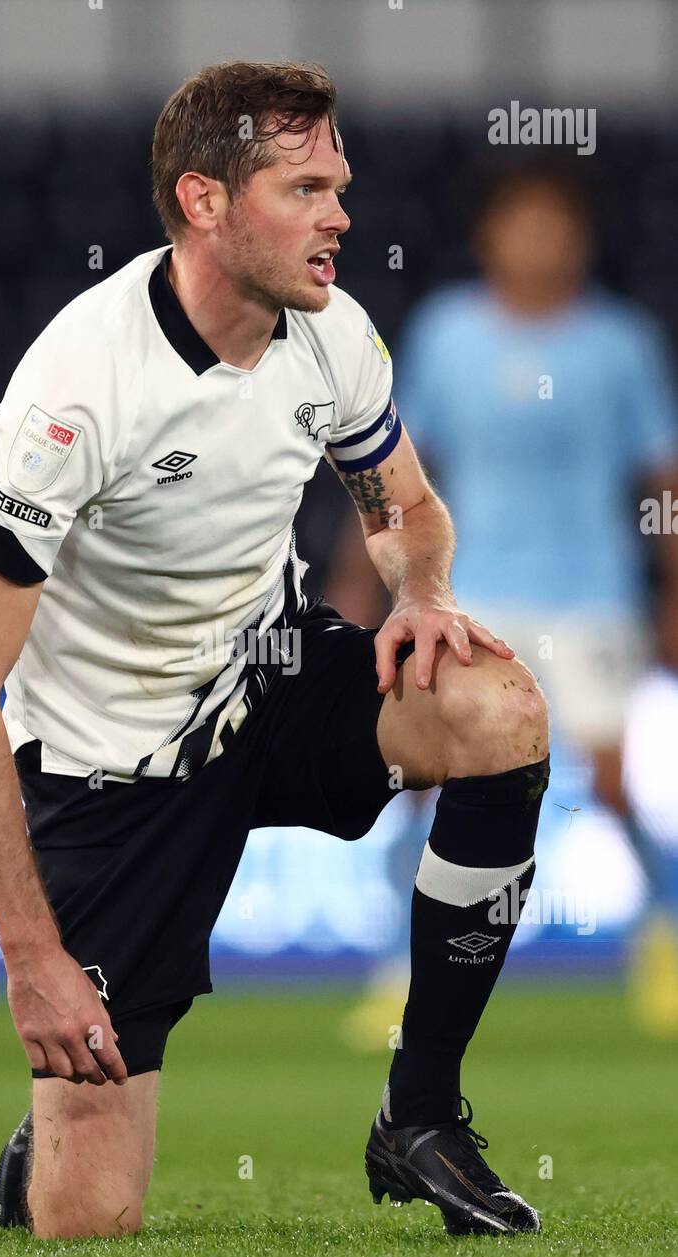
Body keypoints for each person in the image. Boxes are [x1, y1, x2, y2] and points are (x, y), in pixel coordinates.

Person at [0, 62, 550, 1241]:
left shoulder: (332, 330)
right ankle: (50, 1130)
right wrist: (33, 959)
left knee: (497, 709)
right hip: (113, 770)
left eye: (342, 185)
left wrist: (424, 592)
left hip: (270, 676)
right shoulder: (76, 391)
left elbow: (406, 507)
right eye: (306, 187)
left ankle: (417, 1116)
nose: (342, 216)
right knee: (88, 1224)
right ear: (206, 201)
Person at [335, 164, 678, 1042]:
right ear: (490, 235)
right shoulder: (449, 334)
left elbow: (661, 477)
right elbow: (398, 471)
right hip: (466, 593)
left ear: (580, 239)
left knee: (609, 787)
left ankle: (662, 945)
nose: (538, 242)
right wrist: (368, 579)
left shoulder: (619, 343)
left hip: (591, 592)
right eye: (521, 224)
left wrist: (672, 591)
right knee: (423, 784)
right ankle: (395, 967)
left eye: (554, 226)